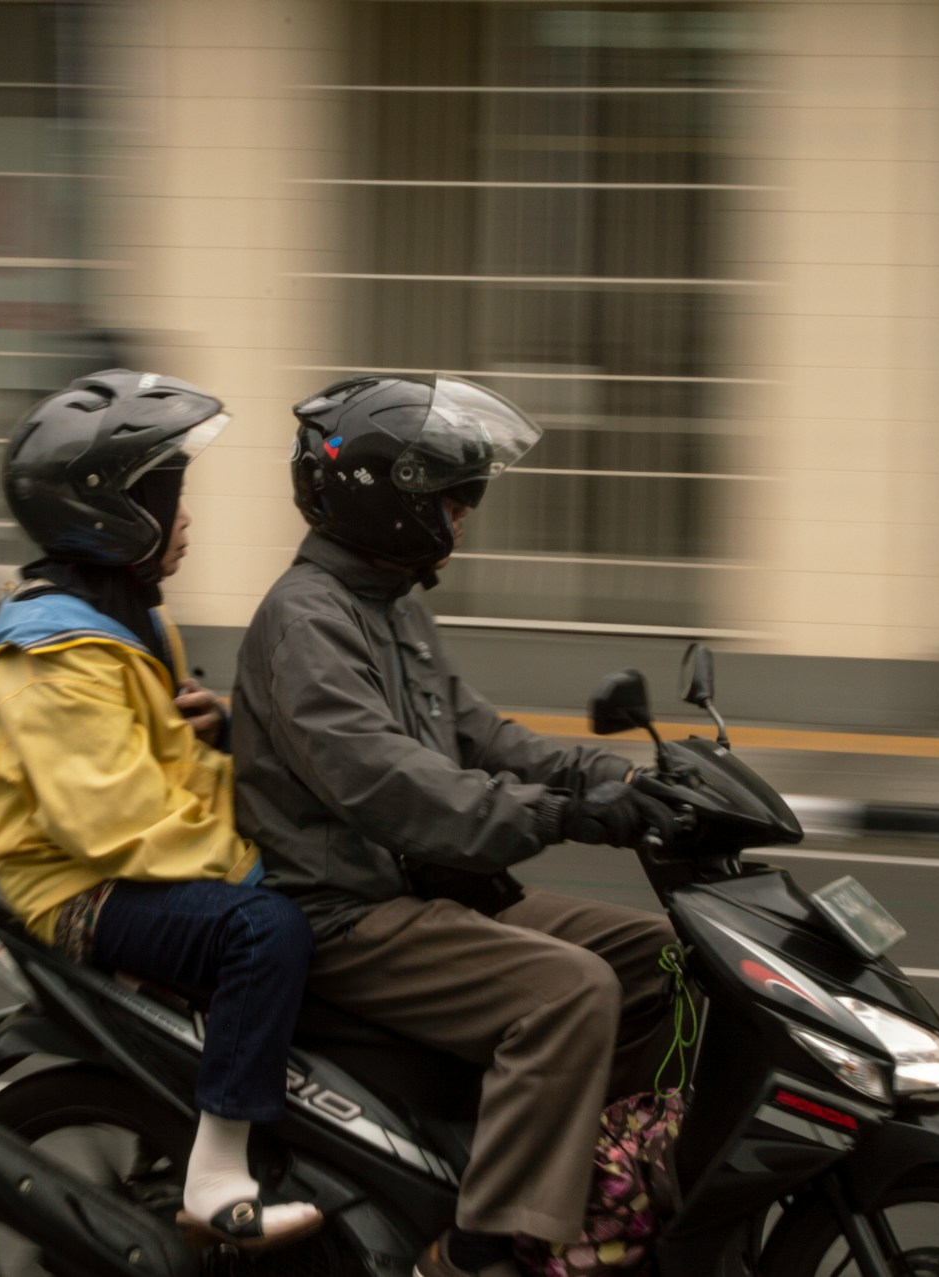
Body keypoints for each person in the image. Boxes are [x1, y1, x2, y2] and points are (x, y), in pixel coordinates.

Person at [229, 373, 680, 1277]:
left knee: (670, 959)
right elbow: (387, 782)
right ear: (384, 501)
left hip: (423, 888)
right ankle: (481, 1248)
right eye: (448, 499)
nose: (462, 519)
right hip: (349, 912)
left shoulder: (393, 607)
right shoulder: (306, 620)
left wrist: (623, 777)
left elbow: (483, 735)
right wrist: (561, 815)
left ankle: (601, 1180)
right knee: (570, 989)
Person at [0, 369, 321, 1251]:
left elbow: (173, 758)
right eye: (167, 501)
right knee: (268, 929)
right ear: (111, 519)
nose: (185, 520)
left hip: (126, 863)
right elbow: (123, 824)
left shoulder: (126, 618)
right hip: (84, 888)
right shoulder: (54, 657)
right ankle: (217, 1175)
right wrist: (270, 857)